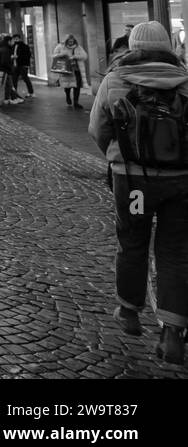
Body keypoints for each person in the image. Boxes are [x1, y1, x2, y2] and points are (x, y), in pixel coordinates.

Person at [88, 20, 187, 364]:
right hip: (180, 182)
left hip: (134, 182)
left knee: (132, 243)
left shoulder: (117, 79)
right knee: (175, 251)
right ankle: (173, 331)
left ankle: (129, 311)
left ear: (132, 46)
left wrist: (117, 157)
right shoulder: (186, 80)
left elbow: (97, 128)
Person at [53, 33, 89, 109]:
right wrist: (63, 54)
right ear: (66, 41)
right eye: (69, 41)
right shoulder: (60, 47)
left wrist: (75, 56)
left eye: (72, 41)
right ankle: (68, 97)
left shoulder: (78, 47)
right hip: (67, 70)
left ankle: (76, 102)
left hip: (77, 70)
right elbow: (54, 55)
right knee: (67, 86)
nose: (71, 43)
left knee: (77, 87)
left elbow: (85, 56)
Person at [0, 34, 22, 105]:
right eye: (12, 41)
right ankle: (9, 99)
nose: (13, 42)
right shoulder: (5, 49)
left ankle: (11, 98)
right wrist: (10, 67)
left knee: (9, 85)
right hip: (4, 70)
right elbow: (4, 61)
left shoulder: (0, 47)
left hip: (1, 69)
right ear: (9, 41)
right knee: (8, 85)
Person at [10, 33, 34, 98]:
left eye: (17, 38)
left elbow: (27, 55)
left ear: (19, 38)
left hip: (22, 65)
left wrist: (17, 57)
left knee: (25, 78)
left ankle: (31, 92)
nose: (15, 40)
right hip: (15, 64)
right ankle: (15, 93)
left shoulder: (24, 46)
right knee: (14, 79)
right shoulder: (13, 46)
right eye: (14, 39)